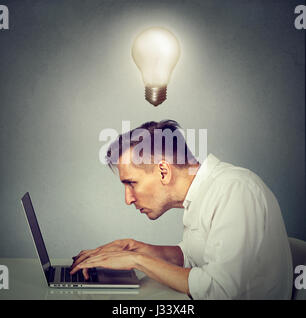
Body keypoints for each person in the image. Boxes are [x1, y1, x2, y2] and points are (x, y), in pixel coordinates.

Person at [70, 120, 293, 299]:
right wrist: (134, 248)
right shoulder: (202, 193)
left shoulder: (235, 190)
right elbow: (192, 257)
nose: (128, 199)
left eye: (131, 183)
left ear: (164, 172)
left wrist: (136, 261)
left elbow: (219, 291)